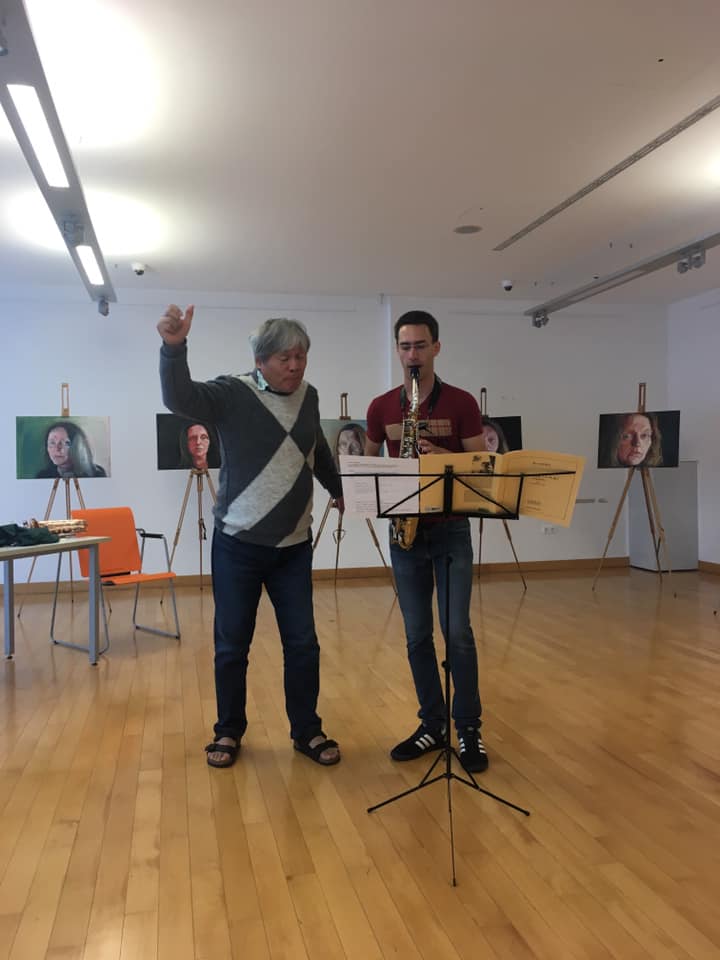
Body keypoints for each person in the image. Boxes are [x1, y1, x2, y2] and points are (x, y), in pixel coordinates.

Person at [157, 304, 343, 768]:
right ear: (260, 361)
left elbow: (315, 449)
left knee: (303, 644)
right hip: (237, 546)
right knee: (232, 645)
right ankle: (228, 730)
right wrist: (174, 348)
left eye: (301, 356)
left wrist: (339, 490)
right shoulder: (232, 393)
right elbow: (180, 398)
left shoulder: (310, 396)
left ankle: (307, 730)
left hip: (293, 548)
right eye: (284, 358)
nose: (295, 366)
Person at [365, 309, 488, 773]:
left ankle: (468, 728)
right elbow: (367, 466)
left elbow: (482, 467)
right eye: (405, 346)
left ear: (436, 347)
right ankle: (432, 724)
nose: (412, 355)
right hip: (406, 533)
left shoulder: (461, 403)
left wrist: (443, 457)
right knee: (417, 636)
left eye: (420, 345)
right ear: (397, 350)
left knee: (457, 632)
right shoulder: (381, 407)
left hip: (451, 529)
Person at [36, 421, 107, 478]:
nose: (57, 448)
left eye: (65, 443)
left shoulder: (96, 474)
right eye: (52, 442)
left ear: (78, 446)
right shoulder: (43, 476)